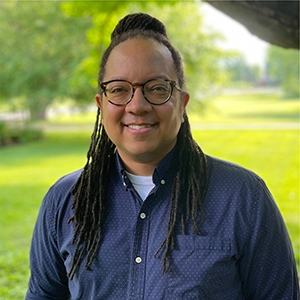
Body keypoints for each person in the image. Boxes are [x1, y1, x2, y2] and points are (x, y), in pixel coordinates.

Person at [26, 13, 299, 300]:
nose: (137, 105)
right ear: (101, 105)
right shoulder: (65, 200)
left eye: (157, 88)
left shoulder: (243, 197)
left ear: (182, 104)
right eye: (119, 90)